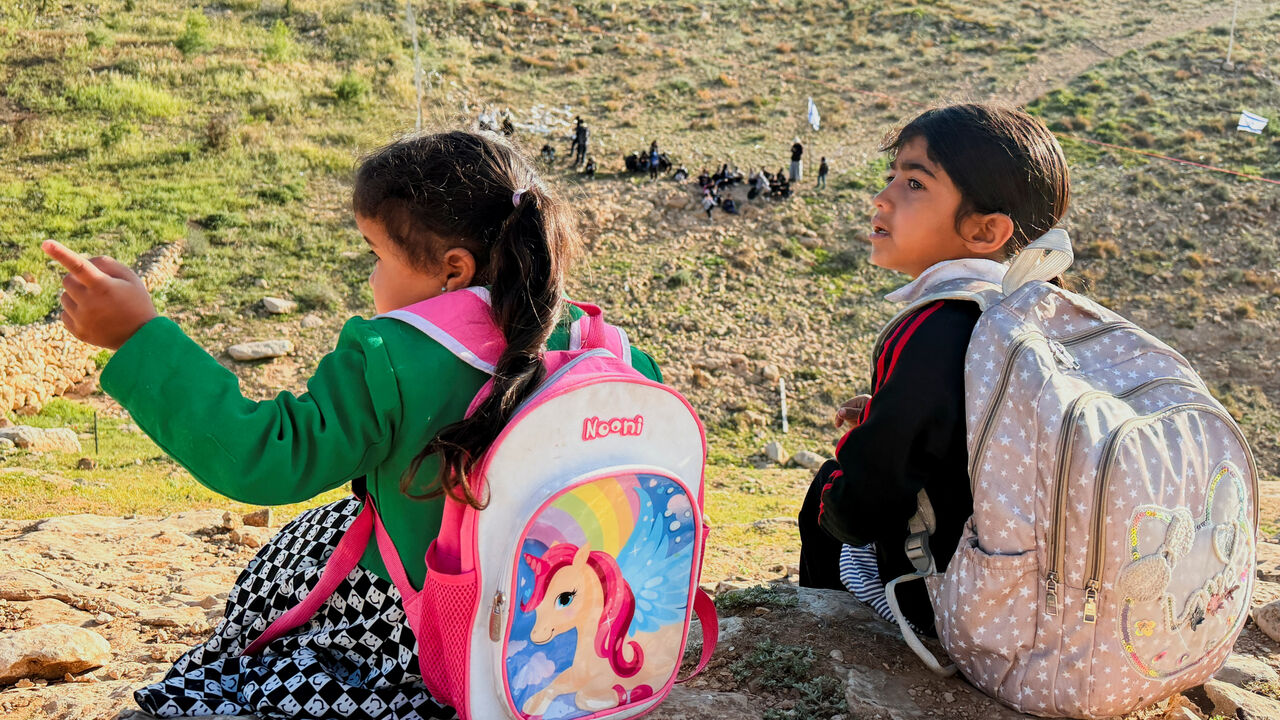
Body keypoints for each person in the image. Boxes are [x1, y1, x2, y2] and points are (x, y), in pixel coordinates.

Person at [43, 131, 666, 718]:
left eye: (375, 254)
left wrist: (138, 337)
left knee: (305, 556)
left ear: (453, 269)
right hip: (558, 624)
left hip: (425, 631)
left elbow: (267, 453)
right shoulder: (611, 351)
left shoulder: (390, 356)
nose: (368, 275)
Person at [795, 104, 1070, 634]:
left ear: (986, 230)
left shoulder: (940, 324)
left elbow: (868, 498)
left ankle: (822, 632)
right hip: (1036, 592)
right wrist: (887, 412)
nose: (883, 197)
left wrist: (865, 449)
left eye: (915, 183)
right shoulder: (1034, 309)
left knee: (829, 490)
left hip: (947, 596)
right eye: (891, 176)